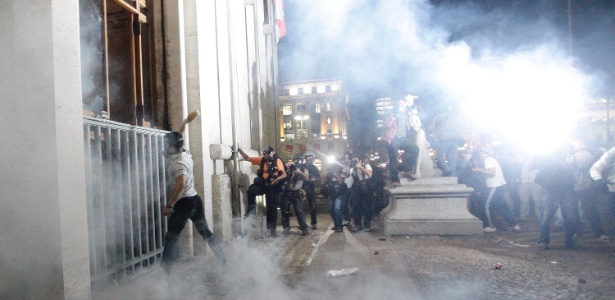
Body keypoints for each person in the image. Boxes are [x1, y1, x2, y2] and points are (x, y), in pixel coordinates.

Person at [161, 114, 226, 271]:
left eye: (166, 144)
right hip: (195, 200)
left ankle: (164, 272)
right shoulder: (185, 152)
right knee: (205, 232)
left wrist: (169, 205)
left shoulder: (178, 163)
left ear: (171, 147)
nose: (164, 147)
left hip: (184, 203)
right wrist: (185, 122)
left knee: (171, 236)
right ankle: (223, 260)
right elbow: (180, 135)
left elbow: (180, 184)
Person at [535, 148, 579, 250]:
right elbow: (538, 178)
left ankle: (569, 241)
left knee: (569, 217)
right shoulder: (548, 163)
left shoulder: (567, 162)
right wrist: (547, 185)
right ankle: (543, 241)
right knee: (546, 217)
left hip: (565, 190)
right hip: (552, 191)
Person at [238, 146, 287, 236]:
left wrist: (277, 179)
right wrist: (240, 150)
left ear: (272, 153)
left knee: (272, 207)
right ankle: (251, 212)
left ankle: (272, 229)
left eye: (268, 154)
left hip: (273, 186)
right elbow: (247, 158)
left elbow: (284, 174)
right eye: (265, 154)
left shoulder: (277, 161)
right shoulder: (262, 160)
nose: (267, 156)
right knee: (252, 191)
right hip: (263, 185)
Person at [472, 148, 520, 232]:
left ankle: (491, 226)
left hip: (494, 186)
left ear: (487, 153)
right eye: (480, 153)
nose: (480, 155)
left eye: (482, 153)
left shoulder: (488, 160)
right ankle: (514, 225)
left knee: (486, 205)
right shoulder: (491, 160)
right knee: (500, 207)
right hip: (498, 186)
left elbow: (492, 173)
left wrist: (479, 170)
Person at [571, 138, 609, 242]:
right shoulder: (572, 154)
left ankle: (600, 233)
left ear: (582, 144)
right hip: (574, 186)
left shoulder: (585, 154)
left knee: (590, 210)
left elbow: (578, 166)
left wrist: (569, 160)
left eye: (575, 142)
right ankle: (578, 231)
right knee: (575, 211)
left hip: (584, 186)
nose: (573, 144)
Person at [381, 97, 420, 186]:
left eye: (402, 104)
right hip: (393, 138)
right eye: (399, 104)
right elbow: (386, 125)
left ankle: (406, 170)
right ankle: (395, 180)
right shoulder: (392, 114)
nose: (401, 106)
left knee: (415, 149)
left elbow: (412, 123)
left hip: (404, 138)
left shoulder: (407, 114)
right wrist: (392, 117)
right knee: (393, 159)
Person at [429, 104, 465, 177]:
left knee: (440, 157)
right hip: (454, 141)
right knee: (452, 160)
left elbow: (431, 128)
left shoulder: (439, 117)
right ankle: (452, 176)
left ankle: (448, 170)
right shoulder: (456, 118)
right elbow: (461, 129)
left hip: (444, 140)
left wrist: (434, 135)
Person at [281, 153, 310, 236]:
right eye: (296, 159)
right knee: (285, 209)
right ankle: (286, 227)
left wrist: (299, 172)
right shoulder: (290, 168)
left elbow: (307, 178)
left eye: (299, 160)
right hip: (287, 191)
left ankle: (304, 228)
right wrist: (288, 168)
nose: (298, 161)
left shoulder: (304, 169)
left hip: (296, 191)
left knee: (299, 211)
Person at [350, 155, 375, 232]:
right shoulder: (352, 168)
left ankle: (367, 225)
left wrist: (360, 167)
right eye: (353, 160)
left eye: (356, 160)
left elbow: (370, 174)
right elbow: (348, 175)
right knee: (356, 206)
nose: (355, 162)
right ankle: (358, 224)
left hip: (366, 187)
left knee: (368, 206)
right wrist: (348, 166)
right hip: (356, 187)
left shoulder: (366, 165)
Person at [322, 161, 347, 232]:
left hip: (339, 193)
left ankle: (339, 225)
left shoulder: (342, 170)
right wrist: (328, 171)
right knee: (330, 209)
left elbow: (341, 181)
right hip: (331, 192)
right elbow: (323, 177)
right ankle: (336, 223)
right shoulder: (330, 169)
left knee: (337, 208)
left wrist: (336, 171)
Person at [518, 155, 543, 222]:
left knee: (537, 200)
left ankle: (540, 216)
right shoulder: (523, 159)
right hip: (524, 183)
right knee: (524, 200)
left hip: (536, 183)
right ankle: (523, 217)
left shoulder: (540, 161)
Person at [303, 152, 320, 230]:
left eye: (311, 158)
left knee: (313, 206)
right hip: (302, 188)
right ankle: (303, 224)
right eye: (308, 158)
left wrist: (314, 179)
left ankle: (314, 223)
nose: (309, 159)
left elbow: (318, 177)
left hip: (310, 188)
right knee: (301, 207)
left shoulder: (314, 168)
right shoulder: (302, 167)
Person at [341, 152, 355, 227]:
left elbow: (348, 174)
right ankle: (347, 219)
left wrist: (349, 165)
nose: (346, 159)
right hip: (345, 187)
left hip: (352, 186)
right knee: (344, 204)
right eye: (345, 158)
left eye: (348, 158)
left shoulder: (353, 166)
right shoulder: (342, 166)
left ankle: (353, 219)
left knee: (353, 204)